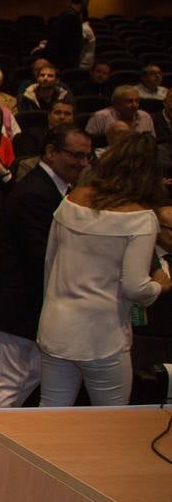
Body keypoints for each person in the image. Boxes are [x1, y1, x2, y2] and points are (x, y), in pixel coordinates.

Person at [37, 133, 169, 406]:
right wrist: (161, 285)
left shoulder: (72, 199)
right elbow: (135, 286)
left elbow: (50, 262)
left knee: (49, 418)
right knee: (111, 422)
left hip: (55, 326)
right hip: (103, 337)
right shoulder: (142, 218)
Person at [0, 128, 93, 408]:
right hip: (16, 310)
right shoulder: (35, 192)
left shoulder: (53, 189)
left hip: (31, 310)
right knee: (6, 385)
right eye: (76, 155)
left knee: (22, 381)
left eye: (87, 157)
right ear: (52, 153)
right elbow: (41, 257)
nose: (82, 163)